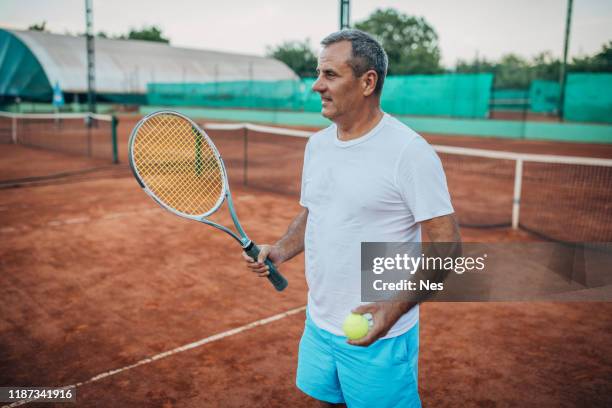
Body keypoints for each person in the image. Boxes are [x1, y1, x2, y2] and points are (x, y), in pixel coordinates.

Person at [243, 29, 460, 408]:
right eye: (318, 73)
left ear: (367, 82)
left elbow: (448, 247)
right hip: (319, 322)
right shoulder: (318, 145)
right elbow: (313, 213)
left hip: (381, 334)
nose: (316, 85)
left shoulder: (409, 152)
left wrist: (392, 309)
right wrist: (279, 250)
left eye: (329, 75)